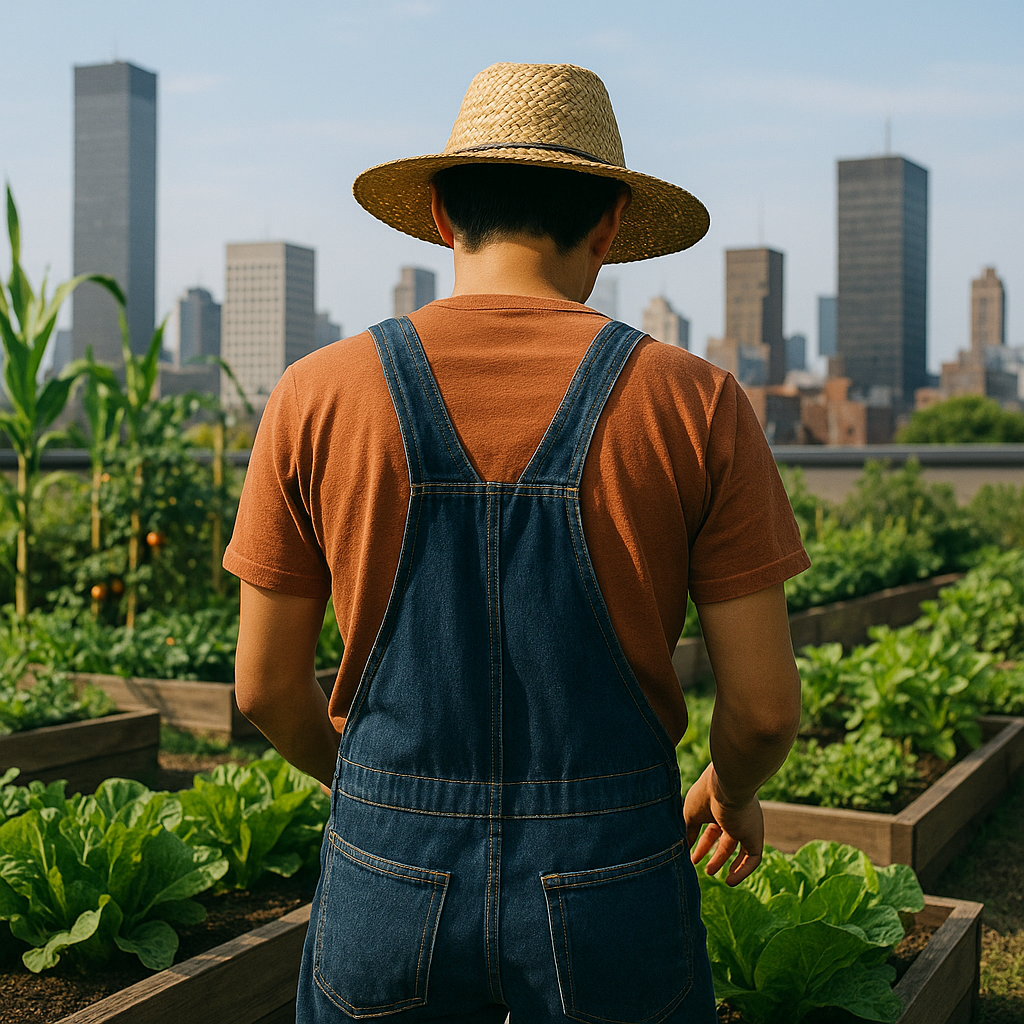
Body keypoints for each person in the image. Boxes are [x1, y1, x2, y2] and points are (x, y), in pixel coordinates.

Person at [225, 62, 807, 1024]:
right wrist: (732, 789)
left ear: (445, 216)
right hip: (613, 877)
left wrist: (383, 799)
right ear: (611, 223)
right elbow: (764, 712)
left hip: (385, 879)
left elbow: (263, 688)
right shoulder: (695, 402)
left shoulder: (316, 394)